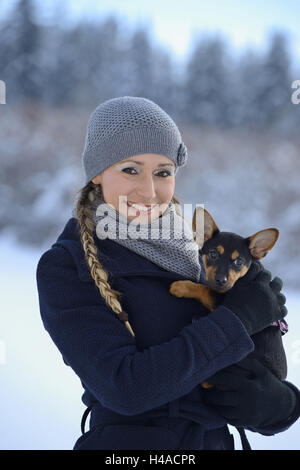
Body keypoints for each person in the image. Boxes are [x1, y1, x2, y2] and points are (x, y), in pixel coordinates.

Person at [36, 96, 300, 450]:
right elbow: (126, 388)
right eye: (130, 169)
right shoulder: (67, 267)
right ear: (97, 172)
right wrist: (238, 319)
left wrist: (279, 406)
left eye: (163, 172)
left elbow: (243, 367)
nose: (148, 190)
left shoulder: (198, 257)